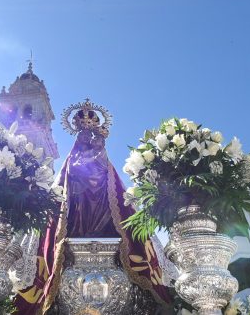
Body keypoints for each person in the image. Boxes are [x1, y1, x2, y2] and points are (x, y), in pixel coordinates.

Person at [13, 99, 177, 314]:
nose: (89, 132)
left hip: (100, 180)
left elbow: (100, 152)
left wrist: (98, 147)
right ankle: (80, 230)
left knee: (107, 199)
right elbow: (77, 158)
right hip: (79, 184)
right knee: (77, 199)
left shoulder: (99, 144)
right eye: (85, 125)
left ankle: (99, 230)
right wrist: (82, 164)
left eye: (92, 124)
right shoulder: (78, 146)